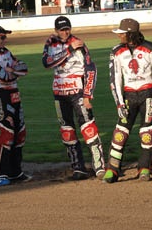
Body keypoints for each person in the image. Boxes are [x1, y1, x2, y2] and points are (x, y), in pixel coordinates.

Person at [103, 18, 152, 183]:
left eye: (122, 33)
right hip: (128, 96)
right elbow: (115, 79)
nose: (119, 36)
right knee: (120, 134)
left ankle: (145, 168)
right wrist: (119, 103)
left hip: (147, 95)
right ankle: (112, 170)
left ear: (130, 34)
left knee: (147, 134)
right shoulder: (116, 51)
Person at [42, 16, 105, 180]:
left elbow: (91, 69)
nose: (65, 32)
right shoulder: (50, 44)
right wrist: (69, 49)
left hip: (78, 93)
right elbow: (47, 62)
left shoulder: (79, 44)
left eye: (67, 29)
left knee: (89, 128)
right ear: (56, 30)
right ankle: (78, 168)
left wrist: (87, 94)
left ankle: (99, 166)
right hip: (59, 94)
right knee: (67, 131)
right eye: (62, 30)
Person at [0, 25, 30, 186]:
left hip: (15, 95)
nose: (5, 40)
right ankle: (1, 173)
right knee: (7, 134)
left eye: (5, 37)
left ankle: (16, 171)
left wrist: (12, 70)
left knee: (20, 133)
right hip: (2, 96)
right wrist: (12, 71)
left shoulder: (6, 52)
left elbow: (24, 68)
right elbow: (4, 77)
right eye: (2, 37)